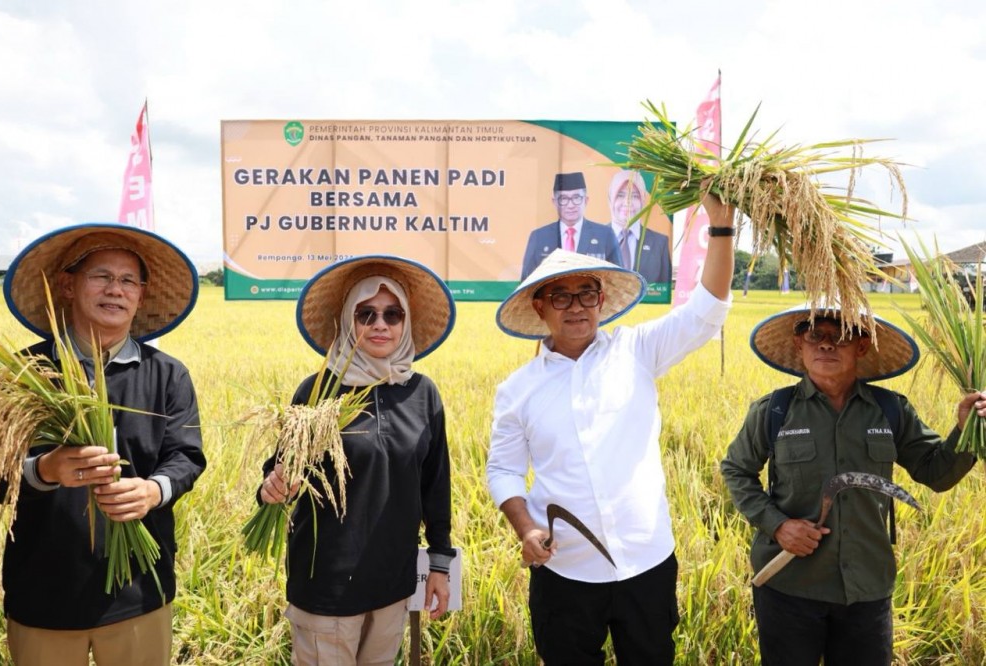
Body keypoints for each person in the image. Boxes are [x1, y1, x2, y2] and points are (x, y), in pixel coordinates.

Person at [489, 193, 736, 664]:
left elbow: (706, 311)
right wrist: (524, 528)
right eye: (561, 296)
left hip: (646, 561)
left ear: (602, 300)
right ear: (540, 307)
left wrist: (720, 227)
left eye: (587, 294)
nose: (576, 307)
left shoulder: (637, 350)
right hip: (565, 569)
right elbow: (502, 469)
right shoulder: (517, 390)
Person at [721, 305, 984, 665]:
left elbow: (936, 473)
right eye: (815, 335)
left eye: (840, 336)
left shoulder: (891, 410)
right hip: (791, 587)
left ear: (861, 347)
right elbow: (736, 470)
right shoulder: (774, 410)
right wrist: (778, 525)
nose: (826, 345)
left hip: (866, 589)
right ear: (800, 344)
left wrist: (967, 429)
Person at [0, 223, 205, 665]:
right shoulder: (24, 374)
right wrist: (45, 470)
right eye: (102, 276)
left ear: (141, 296)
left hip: (139, 591)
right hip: (43, 591)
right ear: (68, 286)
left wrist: (153, 491)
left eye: (128, 280)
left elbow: (186, 457)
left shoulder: (167, 375)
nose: (116, 289)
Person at [260, 255, 457, 665]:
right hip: (325, 586)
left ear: (405, 323)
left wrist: (440, 562)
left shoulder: (422, 394)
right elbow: (279, 472)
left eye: (392, 314)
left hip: (392, 583)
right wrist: (273, 487)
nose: (380, 324)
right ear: (348, 321)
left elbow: (436, 486)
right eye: (366, 313)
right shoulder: (318, 392)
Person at [520, 171, 622, 280]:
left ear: (586, 200)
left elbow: (619, 278)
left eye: (576, 198)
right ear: (554, 202)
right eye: (563, 199)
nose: (570, 205)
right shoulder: (538, 237)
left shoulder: (605, 235)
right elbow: (527, 281)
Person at [608, 169, 671, 285]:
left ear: (643, 201)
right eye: (620, 195)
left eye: (635, 196)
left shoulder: (659, 243)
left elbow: (664, 291)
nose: (627, 202)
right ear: (610, 199)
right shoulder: (594, 238)